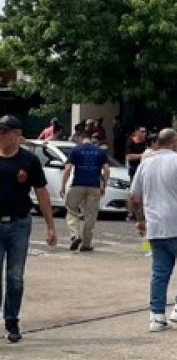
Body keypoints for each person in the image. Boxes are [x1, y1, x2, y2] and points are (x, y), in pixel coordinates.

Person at [128, 128, 177, 332]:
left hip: (155, 225)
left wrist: (140, 220)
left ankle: (157, 316)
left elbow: (134, 196)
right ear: (174, 141)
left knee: (160, 271)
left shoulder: (145, 164)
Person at [0, 115, 57, 343]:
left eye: (5, 132)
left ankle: (12, 321)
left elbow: (42, 193)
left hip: (19, 224)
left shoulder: (29, 161)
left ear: (17, 134)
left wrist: (51, 226)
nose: (1, 136)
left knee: (15, 277)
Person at [60, 132, 109, 252]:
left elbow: (68, 169)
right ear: (91, 139)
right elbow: (106, 170)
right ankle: (86, 244)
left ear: (81, 138)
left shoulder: (76, 150)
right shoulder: (100, 151)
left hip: (78, 184)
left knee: (71, 210)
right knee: (90, 215)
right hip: (94, 185)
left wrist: (63, 185)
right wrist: (104, 185)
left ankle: (75, 235)